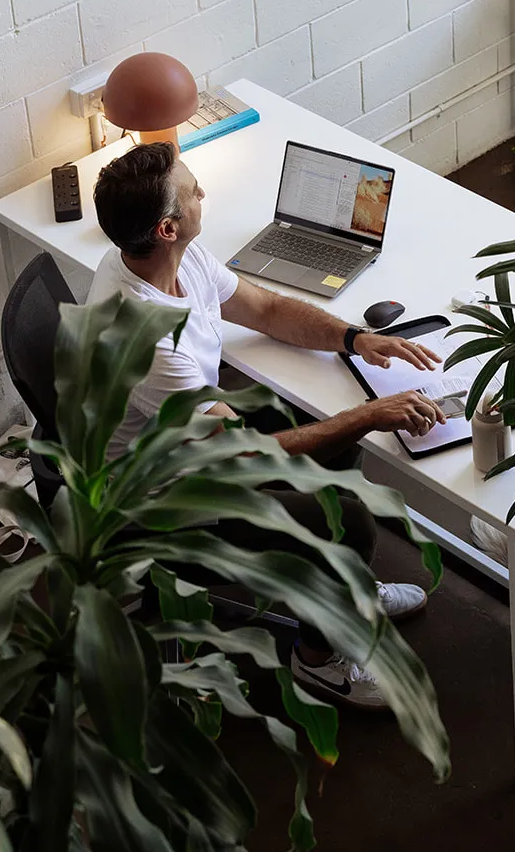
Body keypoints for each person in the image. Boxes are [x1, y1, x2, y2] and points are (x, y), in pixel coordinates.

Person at [89, 141, 447, 710]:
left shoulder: (170, 257)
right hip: (157, 499)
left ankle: (341, 588)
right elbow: (247, 455)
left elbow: (266, 309)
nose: (203, 194)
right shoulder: (143, 336)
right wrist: (369, 415)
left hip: (192, 444)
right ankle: (319, 660)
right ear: (166, 227)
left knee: (327, 429)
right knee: (347, 516)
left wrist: (356, 338)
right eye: (191, 191)